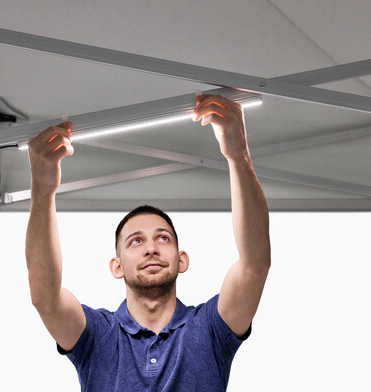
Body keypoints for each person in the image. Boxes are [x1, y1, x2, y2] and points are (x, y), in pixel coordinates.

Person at [25, 94, 271, 391]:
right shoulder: (97, 336)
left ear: (182, 260)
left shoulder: (209, 329)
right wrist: (42, 190)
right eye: (136, 241)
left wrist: (239, 155)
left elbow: (255, 265)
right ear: (116, 266)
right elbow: (45, 297)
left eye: (162, 238)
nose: (151, 248)